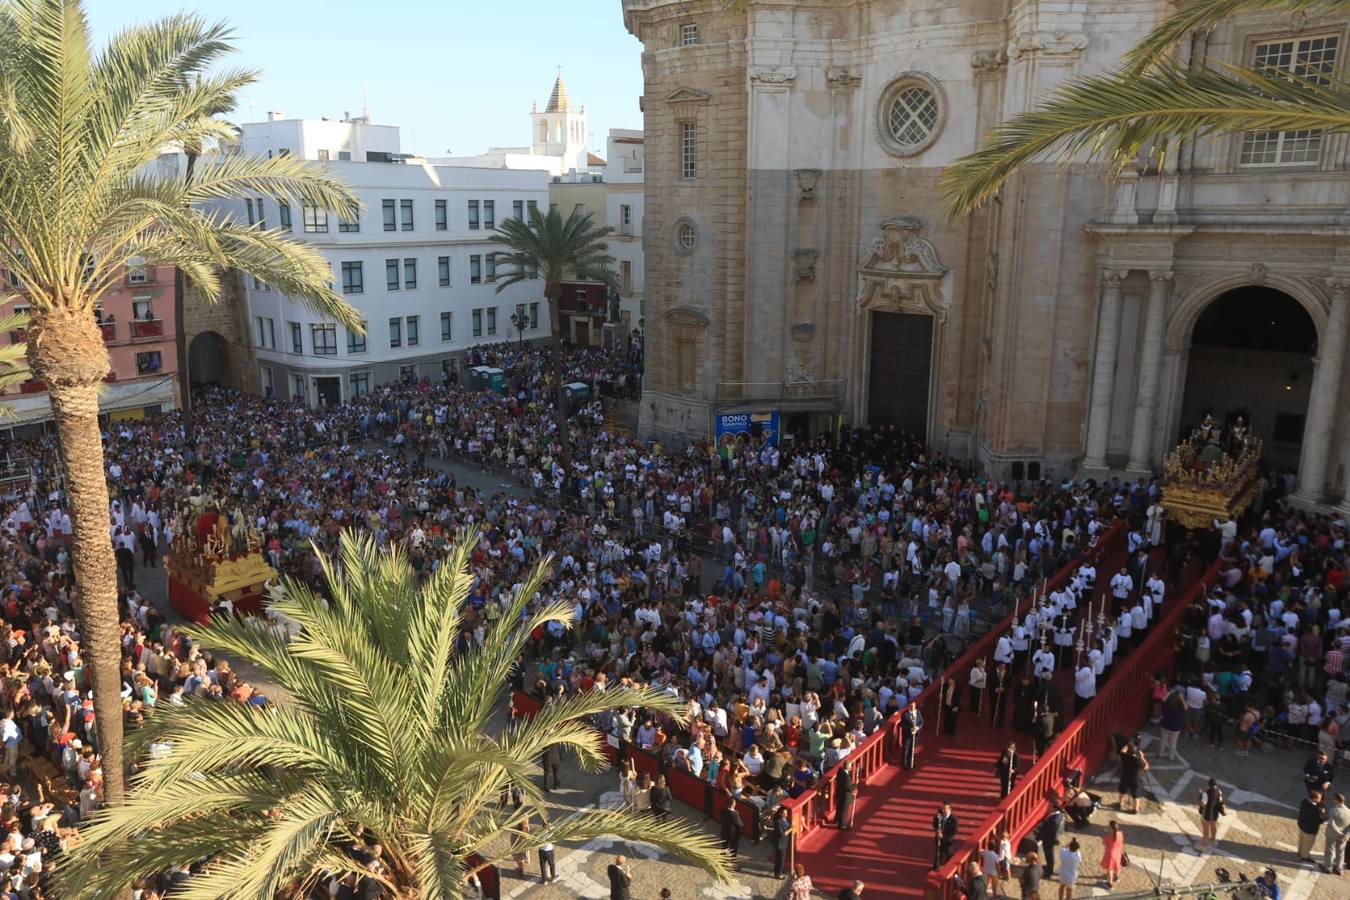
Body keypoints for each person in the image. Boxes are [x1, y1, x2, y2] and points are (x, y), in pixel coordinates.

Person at [1116, 737, 1148, 814]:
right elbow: (1146, 766)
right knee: (1136, 794)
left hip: (1125, 776)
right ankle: (1135, 809)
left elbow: (1122, 751)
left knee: (1122, 790)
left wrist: (1127, 745)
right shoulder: (1138, 760)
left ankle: (1120, 803)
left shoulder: (1125, 756)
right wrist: (1142, 757)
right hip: (1135, 779)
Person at [1322, 792, 1350, 875]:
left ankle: (1328, 867)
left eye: (1334, 799)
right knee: (1341, 852)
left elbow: (1332, 824)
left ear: (1336, 800)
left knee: (1330, 851)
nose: (1332, 800)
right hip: (1343, 836)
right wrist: (1346, 835)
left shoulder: (1333, 810)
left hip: (1332, 835)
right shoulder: (1349, 811)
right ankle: (1339, 869)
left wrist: (1338, 832)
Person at [1298, 788, 1327, 862]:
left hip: (1302, 825)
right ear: (1315, 798)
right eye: (1319, 798)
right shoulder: (1315, 809)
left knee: (1302, 840)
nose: (1320, 799)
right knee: (1308, 843)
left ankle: (1300, 852)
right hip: (1310, 829)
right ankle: (1305, 856)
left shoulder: (1304, 801)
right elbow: (1319, 820)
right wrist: (1322, 814)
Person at [1037, 803, 1064, 878]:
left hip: (1049, 838)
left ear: (1055, 808)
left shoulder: (1054, 819)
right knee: (1049, 854)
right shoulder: (1057, 815)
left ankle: (1048, 872)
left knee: (1049, 855)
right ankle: (1049, 867)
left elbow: (1049, 829)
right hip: (1049, 838)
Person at [1198, 778, 1225, 850]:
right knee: (1213, 826)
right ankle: (1213, 839)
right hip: (1215, 814)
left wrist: (1200, 796)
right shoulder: (1219, 792)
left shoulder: (1205, 794)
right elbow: (1220, 801)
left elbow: (1203, 804)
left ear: (1209, 785)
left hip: (1206, 814)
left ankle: (1204, 844)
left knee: (1206, 830)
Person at [1100, 821, 1125, 889]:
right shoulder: (1120, 833)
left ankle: (1109, 884)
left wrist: (1105, 834)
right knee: (1117, 866)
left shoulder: (1109, 837)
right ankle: (1116, 878)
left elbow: (1104, 842)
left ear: (1111, 828)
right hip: (1118, 852)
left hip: (1110, 854)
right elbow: (1121, 842)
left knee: (1110, 869)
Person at [933, 803, 958, 870]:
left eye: (945, 808)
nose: (943, 810)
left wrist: (944, 836)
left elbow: (954, 831)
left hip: (948, 840)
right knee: (938, 853)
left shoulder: (953, 819)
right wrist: (937, 830)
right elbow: (935, 822)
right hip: (939, 838)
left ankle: (948, 869)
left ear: (949, 809)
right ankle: (936, 867)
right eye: (943, 808)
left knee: (948, 855)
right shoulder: (939, 815)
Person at [771, 806, 793, 879]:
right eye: (784, 813)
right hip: (780, 843)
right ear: (780, 814)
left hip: (784, 842)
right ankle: (778, 873)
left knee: (781, 858)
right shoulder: (778, 822)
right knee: (780, 858)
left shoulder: (786, 819)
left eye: (786, 813)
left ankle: (781, 870)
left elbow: (789, 824)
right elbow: (782, 834)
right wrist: (790, 829)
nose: (786, 814)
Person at [901, 700, 924, 770]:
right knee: (906, 748)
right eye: (911, 706)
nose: (912, 708)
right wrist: (910, 728)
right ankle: (904, 763)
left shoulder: (918, 712)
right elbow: (902, 725)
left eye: (914, 706)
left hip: (916, 734)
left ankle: (910, 760)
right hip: (907, 734)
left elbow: (921, 722)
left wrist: (917, 728)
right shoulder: (905, 714)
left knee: (912, 747)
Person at [719, 791, 742, 857]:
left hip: (724, 831)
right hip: (733, 833)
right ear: (733, 804)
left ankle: (722, 860)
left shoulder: (723, 811)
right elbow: (740, 824)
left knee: (724, 847)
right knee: (733, 848)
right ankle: (732, 861)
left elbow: (721, 819)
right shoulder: (735, 814)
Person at [836, 760, 857, 830]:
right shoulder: (846, 777)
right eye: (850, 766)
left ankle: (837, 821)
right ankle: (842, 825)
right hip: (845, 795)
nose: (851, 768)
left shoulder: (840, 772)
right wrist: (855, 785)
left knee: (839, 808)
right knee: (844, 810)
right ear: (848, 768)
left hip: (839, 793)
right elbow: (848, 787)